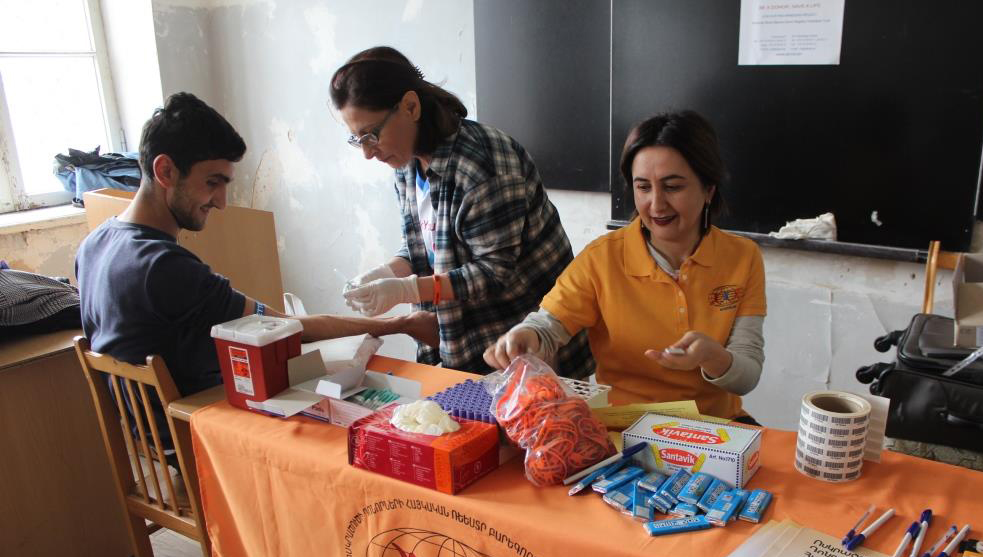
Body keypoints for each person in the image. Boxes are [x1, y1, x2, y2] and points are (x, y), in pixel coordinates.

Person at [76, 93, 435, 457]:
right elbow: (291, 329)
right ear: (165, 171)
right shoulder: (163, 267)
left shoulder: (94, 244)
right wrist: (400, 324)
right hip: (198, 445)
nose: (221, 201)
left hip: (147, 445)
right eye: (212, 182)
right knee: (348, 442)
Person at [484, 111, 766, 422]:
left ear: (708, 189)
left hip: (715, 428)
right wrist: (525, 336)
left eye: (673, 187)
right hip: (626, 426)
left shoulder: (742, 257)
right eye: (643, 187)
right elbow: (549, 326)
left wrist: (711, 356)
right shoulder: (602, 258)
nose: (656, 205)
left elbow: (746, 376)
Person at [330, 47, 593, 378]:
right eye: (356, 140)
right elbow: (427, 244)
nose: (368, 153)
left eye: (371, 135)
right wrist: (387, 273)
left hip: (524, 342)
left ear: (410, 107)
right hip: (464, 337)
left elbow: (492, 272)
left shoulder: (482, 165)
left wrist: (405, 290)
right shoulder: (406, 163)